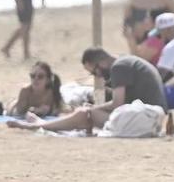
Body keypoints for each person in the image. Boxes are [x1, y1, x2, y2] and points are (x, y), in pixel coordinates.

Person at [10, 47, 164, 133]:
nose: (97, 76)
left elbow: (118, 103)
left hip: (144, 119)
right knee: (87, 113)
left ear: (100, 63)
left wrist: (94, 108)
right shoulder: (127, 61)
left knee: (86, 113)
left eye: (94, 72)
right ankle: (43, 124)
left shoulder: (119, 68)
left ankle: (37, 125)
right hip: (153, 117)